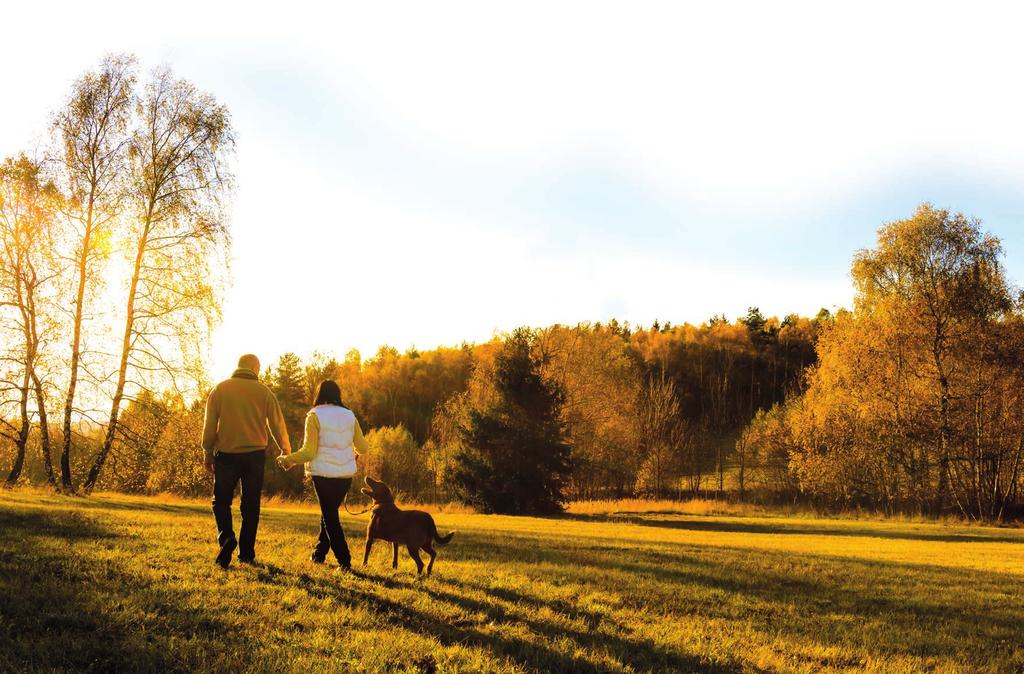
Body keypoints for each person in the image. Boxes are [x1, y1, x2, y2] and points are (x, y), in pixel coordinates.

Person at [202, 354, 292, 568]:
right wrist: (286, 450)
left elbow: (210, 422)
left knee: (221, 502)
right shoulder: (265, 392)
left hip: (226, 455)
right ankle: (247, 554)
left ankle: (226, 538)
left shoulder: (220, 389)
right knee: (250, 506)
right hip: (254, 456)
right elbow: (277, 424)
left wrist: (207, 450)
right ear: (255, 368)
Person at [277, 380, 368, 571]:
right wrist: (349, 456)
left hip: (323, 475)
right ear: (338, 394)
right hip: (344, 476)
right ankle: (319, 554)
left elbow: (309, 452)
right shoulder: (349, 415)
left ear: (319, 394)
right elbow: (363, 447)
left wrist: (288, 459)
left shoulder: (314, 415)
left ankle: (344, 561)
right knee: (329, 514)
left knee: (330, 517)